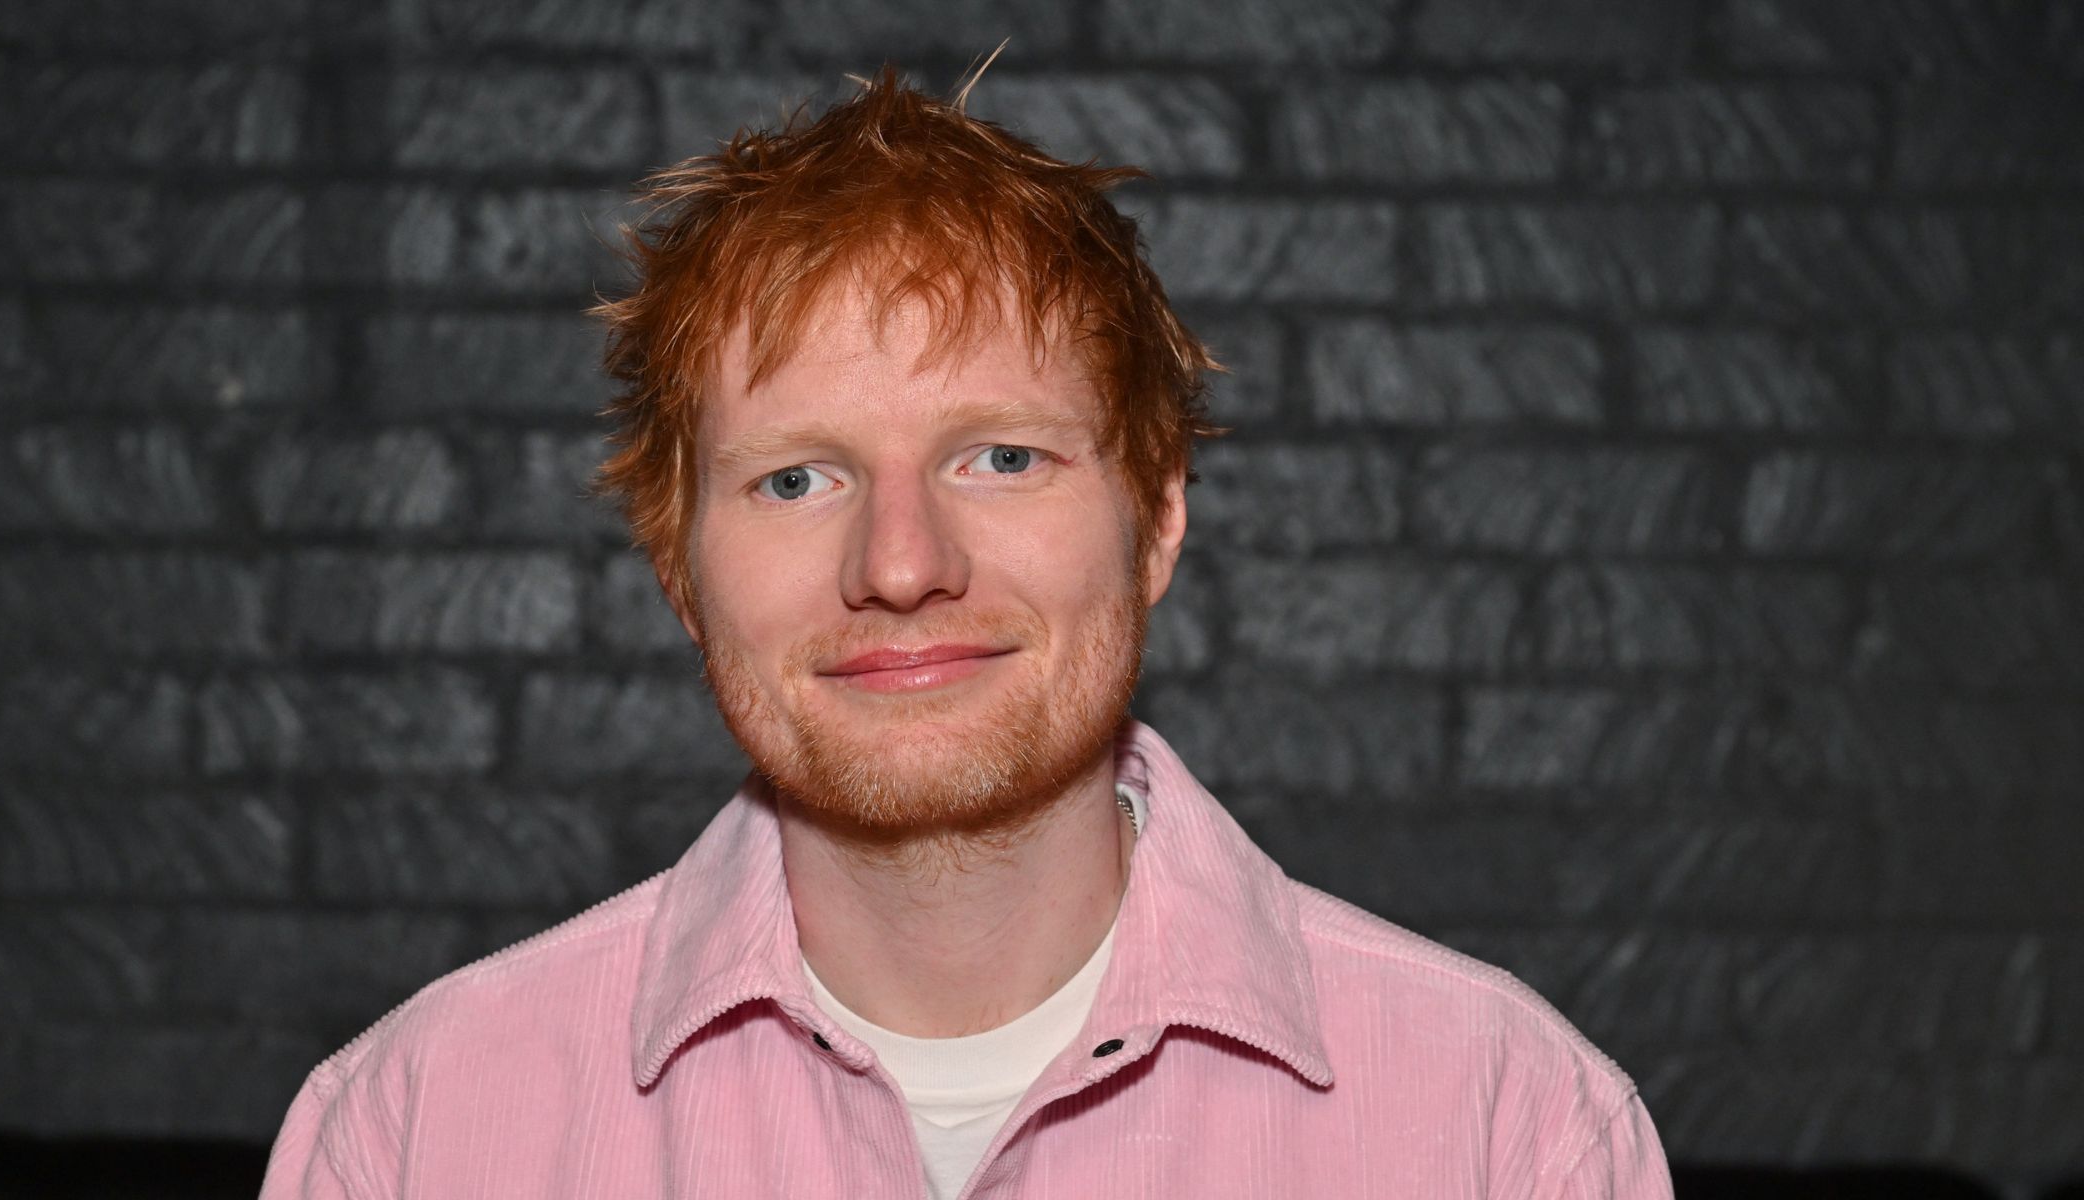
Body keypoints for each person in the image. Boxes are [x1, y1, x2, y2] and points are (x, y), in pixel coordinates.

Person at [258, 67, 1672, 1199]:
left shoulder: (1511, 1133)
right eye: (795, 479)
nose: (900, 565)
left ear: (1157, 517)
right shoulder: (411, 1135)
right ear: (679, 567)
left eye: (1000, 457)